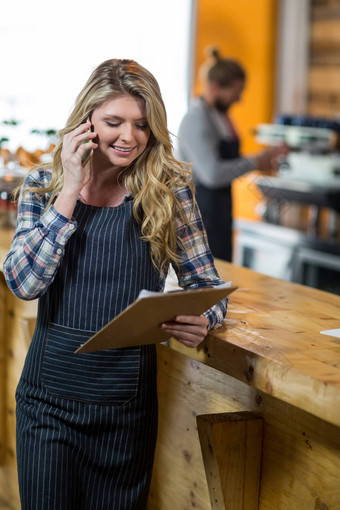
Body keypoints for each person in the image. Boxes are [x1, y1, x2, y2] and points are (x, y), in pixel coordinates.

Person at [3, 58, 228, 510]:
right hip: (48, 406)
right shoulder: (43, 187)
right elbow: (24, 283)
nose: (129, 137)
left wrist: (203, 317)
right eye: (113, 122)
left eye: (142, 125)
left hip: (126, 411)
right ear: (85, 123)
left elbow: (207, 285)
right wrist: (70, 190)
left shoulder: (168, 190)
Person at [177, 48, 288, 262]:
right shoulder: (195, 120)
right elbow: (212, 174)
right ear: (215, 87)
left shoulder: (220, 117)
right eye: (236, 92)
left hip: (220, 212)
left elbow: (231, 162)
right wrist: (256, 161)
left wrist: (265, 157)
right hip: (200, 216)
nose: (239, 99)